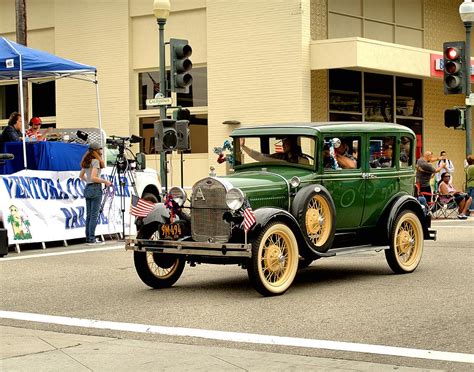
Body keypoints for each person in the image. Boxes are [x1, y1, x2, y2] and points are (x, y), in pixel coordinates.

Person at [79, 142, 112, 245]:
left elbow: (81, 175)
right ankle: (92, 238)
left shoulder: (86, 161)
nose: (101, 151)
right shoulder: (96, 161)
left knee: (89, 215)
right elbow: (94, 177)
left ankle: (88, 237)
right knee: (94, 215)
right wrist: (105, 182)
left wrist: (88, 181)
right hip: (95, 188)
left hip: (88, 188)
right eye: (100, 149)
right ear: (96, 151)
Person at [240, 136, 309, 164]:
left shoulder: (303, 160)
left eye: (286, 144)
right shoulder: (278, 156)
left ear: (292, 144)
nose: (283, 146)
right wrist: (243, 146)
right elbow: (260, 156)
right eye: (282, 143)